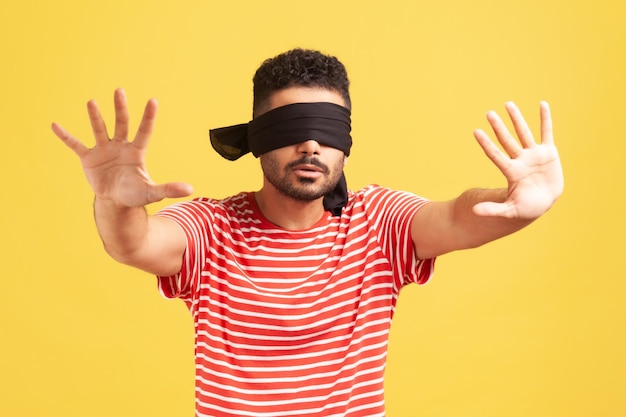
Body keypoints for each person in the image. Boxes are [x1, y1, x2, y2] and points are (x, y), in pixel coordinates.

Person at [51, 48, 564, 417]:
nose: (311, 146)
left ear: (347, 143)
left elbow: (456, 218)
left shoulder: (380, 223)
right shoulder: (210, 228)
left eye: (328, 130)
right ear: (257, 139)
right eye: (291, 129)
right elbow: (134, 244)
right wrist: (112, 202)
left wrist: (513, 204)